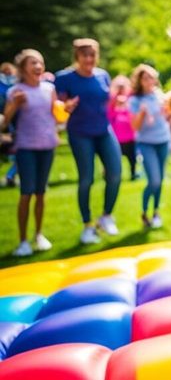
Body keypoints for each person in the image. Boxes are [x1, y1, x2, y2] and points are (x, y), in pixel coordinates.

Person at [54, 38, 121, 244]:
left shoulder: (103, 75)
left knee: (115, 174)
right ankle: (87, 226)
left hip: (103, 130)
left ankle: (106, 216)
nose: (89, 59)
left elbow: (105, 101)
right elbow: (58, 106)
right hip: (80, 133)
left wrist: (116, 100)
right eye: (85, 55)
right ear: (77, 57)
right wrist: (66, 107)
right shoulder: (64, 78)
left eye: (92, 55)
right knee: (86, 179)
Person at [4, 49, 58, 257]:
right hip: (26, 147)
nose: (37, 66)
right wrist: (15, 106)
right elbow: (6, 122)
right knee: (26, 193)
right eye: (32, 63)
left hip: (48, 146)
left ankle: (39, 234)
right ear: (23, 68)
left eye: (40, 62)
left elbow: (57, 116)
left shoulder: (49, 88)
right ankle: (23, 241)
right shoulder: (16, 91)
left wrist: (66, 109)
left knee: (41, 192)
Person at [129, 64, 171, 229]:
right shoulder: (135, 100)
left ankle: (156, 212)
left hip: (164, 141)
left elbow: (168, 118)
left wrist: (167, 112)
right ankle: (145, 211)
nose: (149, 81)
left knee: (160, 180)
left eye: (152, 77)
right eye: (145, 78)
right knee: (153, 180)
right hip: (147, 143)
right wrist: (141, 113)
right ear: (140, 81)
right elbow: (135, 127)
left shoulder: (160, 96)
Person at [108, 75, 138, 180]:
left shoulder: (131, 100)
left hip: (130, 137)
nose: (121, 89)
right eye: (118, 86)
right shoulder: (111, 101)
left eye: (123, 86)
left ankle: (133, 173)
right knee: (113, 159)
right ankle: (111, 174)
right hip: (116, 138)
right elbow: (109, 112)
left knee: (132, 158)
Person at [1, 62, 19, 187]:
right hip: (5, 121)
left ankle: (11, 175)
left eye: (10, 71)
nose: (8, 74)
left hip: (17, 122)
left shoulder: (18, 85)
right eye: (5, 72)